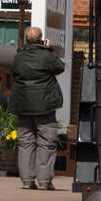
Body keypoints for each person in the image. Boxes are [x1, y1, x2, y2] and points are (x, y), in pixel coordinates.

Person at [10, 27, 65, 191]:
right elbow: (60, 67)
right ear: (41, 39)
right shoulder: (46, 55)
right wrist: (48, 49)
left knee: (25, 142)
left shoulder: (18, 57)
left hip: (23, 104)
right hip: (44, 105)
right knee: (46, 142)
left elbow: (14, 72)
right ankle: (44, 180)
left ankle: (27, 180)